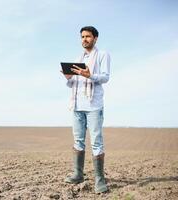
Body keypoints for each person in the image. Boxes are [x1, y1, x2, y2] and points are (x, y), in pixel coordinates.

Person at [61, 26, 110, 194]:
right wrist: (69, 78)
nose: (84, 39)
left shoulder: (102, 55)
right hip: (76, 106)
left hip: (93, 106)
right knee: (78, 141)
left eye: (88, 36)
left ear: (95, 38)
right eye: (82, 36)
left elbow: (105, 77)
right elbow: (74, 82)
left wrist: (89, 75)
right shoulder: (78, 57)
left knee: (96, 142)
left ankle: (99, 180)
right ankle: (78, 173)